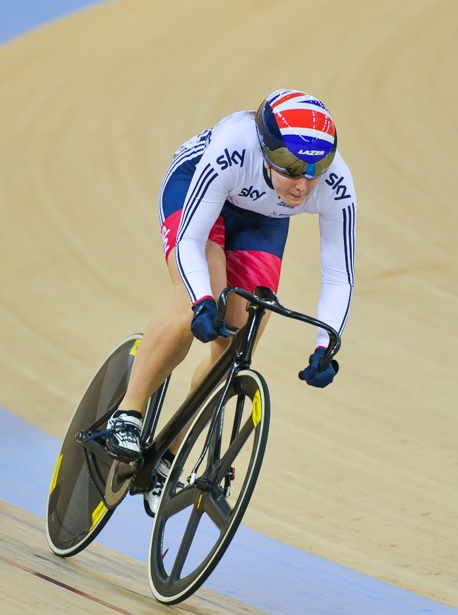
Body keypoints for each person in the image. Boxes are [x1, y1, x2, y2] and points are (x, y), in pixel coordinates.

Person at [104, 89, 356, 516]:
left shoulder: (335, 182)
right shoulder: (233, 147)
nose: (303, 185)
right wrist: (203, 301)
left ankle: (170, 454)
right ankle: (127, 413)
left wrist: (325, 345)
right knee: (192, 308)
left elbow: (338, 275)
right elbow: (191, 241)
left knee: (236, 342)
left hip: (263, 218)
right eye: (293, 169)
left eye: (315, 171)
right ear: (267, 154)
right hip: (198, 188)